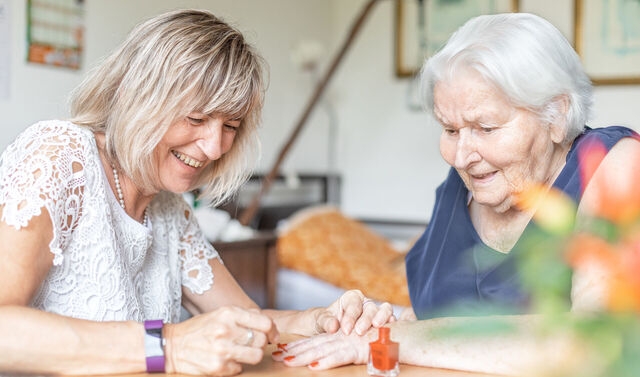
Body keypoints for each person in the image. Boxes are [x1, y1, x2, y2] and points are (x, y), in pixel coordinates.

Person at [0, 9, 394, 376]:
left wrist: (318, 320)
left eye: (231, 126)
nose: (214, 147)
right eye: (196, 118)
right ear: (137, 97)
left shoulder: (171, 210)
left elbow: (247, 320)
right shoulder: (60, 157)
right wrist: (169, 344)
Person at [273, 12, 640, 375]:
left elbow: (596, 344)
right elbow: (432, 318)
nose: (462, 157)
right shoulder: (462, 184)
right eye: (449, 130)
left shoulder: (614, 165)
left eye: (486, 127)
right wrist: (374, 320)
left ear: (556, 115)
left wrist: (393, 337)